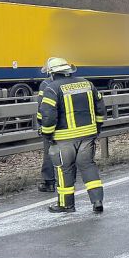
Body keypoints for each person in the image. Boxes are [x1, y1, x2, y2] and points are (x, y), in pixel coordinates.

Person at [37, 57, 106, 213]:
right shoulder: (87, 84)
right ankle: (97, 201)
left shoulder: (52, 89)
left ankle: (66, 205)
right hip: (88, 135)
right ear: (68, 71)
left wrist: (47, 134)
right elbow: (100, 107)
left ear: (52, 73)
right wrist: (97, 127)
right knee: (88, 166)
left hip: (64, 138)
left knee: (64, 170)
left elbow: (47, 114)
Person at [36, 62, 59, 193]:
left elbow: (42, 107)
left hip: (51, 124)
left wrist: (41, 125)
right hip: (69, 126)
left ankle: (49, 182)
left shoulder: (45, 84)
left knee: (49, 152)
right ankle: (66, 180)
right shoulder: (72, 83)